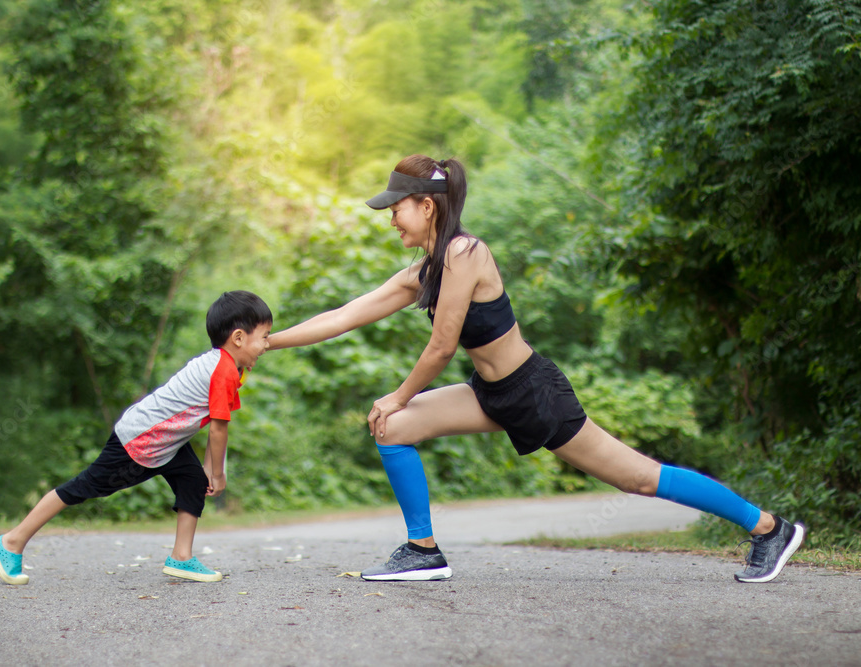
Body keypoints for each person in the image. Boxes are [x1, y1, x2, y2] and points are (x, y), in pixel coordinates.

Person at [267, 155, 805, 584]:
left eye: (397, 208)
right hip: (489, 392)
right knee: (393, 427)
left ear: (427, 206)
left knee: (638, 478)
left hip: (533, 393)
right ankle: (422, 550)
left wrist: (398, 394)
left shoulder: (465, 253)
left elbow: (442, 346)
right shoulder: (424, 272)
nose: (391, 218)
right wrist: (267, 342)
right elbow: (344, 316)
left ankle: (768, 528)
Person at [0, 290, 272, 585]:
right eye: (264, 337)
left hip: (166, 443)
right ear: (238, 338)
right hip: (140, 440)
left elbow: (215, 422)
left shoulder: (226, 366)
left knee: (192, 480)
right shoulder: (222, 372)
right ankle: (11, 541)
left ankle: (181, 557)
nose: (267, 344)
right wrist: (218, 474)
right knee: (82, 487)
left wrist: (208, 471)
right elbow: (218, 429)